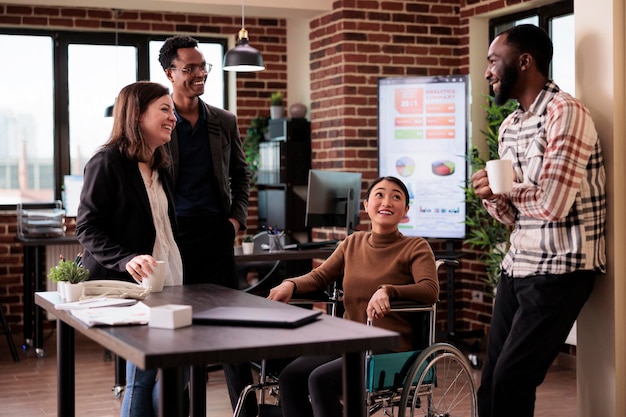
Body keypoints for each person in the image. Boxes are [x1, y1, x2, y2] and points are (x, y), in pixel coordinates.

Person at [473, 24, 606, 417]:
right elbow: (515, 218)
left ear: (525, 62)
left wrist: (507, 187)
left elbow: (552, 205)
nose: (487, 72)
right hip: (517, 266)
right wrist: (492, 196)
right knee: (492, 380)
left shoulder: (566, 112)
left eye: (494, 61)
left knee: (513, 378)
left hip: (562, 268)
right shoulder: (510, 126)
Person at [268, 176, 439, 417]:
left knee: (320, 380)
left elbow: (430, 289)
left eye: (396, 197)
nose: (386, 201)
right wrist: (291, 284)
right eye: (379, 194)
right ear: (366, 205)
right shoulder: (352, 242)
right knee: (290, 377)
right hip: (348, 342)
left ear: (406, 210)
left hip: (386, 349)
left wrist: (388, 290)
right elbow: (319, 276)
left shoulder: (416, 246)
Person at [158, 35, 256, 416]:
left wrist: (236, 220)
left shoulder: (223, 120)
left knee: (230, 331)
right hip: (173, 238)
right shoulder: (160, 119)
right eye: (190, 68)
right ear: (169, 73)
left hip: (217, 235)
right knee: (179, 334)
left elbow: (241, 175)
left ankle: (246, 412)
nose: (199, 75)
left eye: (203, 67)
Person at [76, 81, 183, 417]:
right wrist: (127, 258)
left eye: (173, 110)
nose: (173, 117)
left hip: (170, 283)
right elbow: (87, 228)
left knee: (173, 377)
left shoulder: (161, 165)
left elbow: (164, 228)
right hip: (134, 289)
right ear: (137, 115)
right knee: (142, 378)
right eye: (164, 109)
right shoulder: (106, 163)